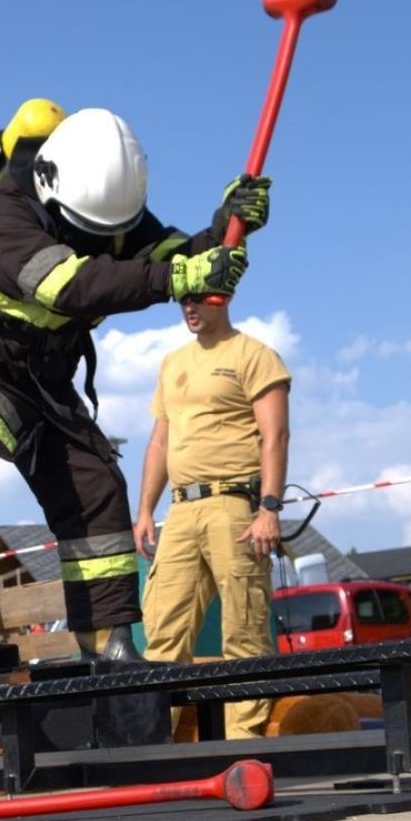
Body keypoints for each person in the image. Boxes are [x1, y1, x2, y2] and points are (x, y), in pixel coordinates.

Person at [0, 106, 270, 657]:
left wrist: (228, 226)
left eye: (109, 230)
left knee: (96, 487)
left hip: (40, 377)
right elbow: (70, 285)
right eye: (87, 226)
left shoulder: (112, 217)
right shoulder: (4, 214)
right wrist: (177, 276)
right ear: (51, 185)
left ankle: (106, 641)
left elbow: (180, 257)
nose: (101, 238)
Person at [133, 292, 290, 739]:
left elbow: (276, 435)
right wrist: (144, 511)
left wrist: (269, 508)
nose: (191, 308)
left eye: (202, 299)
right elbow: (159, 442)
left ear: (226, 298)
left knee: (244, 632)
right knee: (163, 632)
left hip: (234, 504)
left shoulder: (254, 355)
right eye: (184, 300)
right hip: (181, 509)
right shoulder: (172, 362)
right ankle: (154, 747)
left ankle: (244, 749)